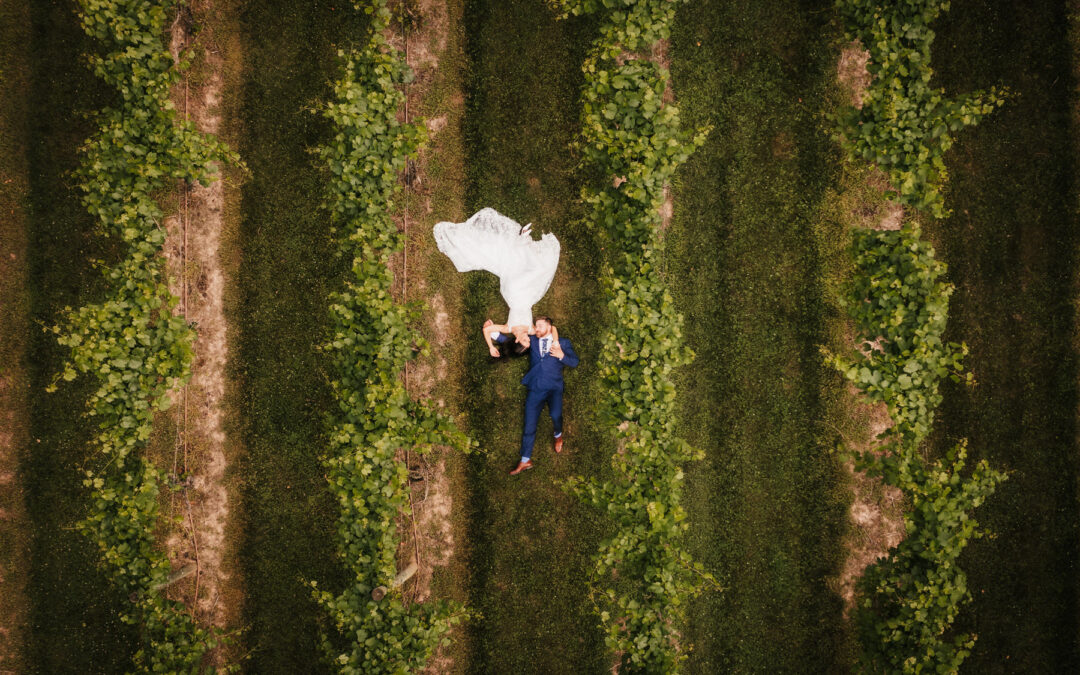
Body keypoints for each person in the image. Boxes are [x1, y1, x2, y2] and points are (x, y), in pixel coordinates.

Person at [434, 208, 559, 338]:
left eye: (524, 342)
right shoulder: (531, 330)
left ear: (516, 342)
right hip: (527, 296)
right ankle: (523, 240)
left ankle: (523, 240)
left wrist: (491, 347)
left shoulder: (508, 329)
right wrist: (554, 341)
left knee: (538, 269)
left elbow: (487, 330)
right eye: (528, 342)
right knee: (524, 266)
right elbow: (552, 329)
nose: (527, 340)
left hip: (515, 294)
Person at [509, 316, 578, 475]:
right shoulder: (532, 340)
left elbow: (574, 362)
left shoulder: (563, 343)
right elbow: (512, 341)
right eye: (535, 326)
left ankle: (558, 435)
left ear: (549, 326)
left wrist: (561, 355)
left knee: (555, 415)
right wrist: (493, 334)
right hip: (535, 389)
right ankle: (525, 460)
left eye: (540, 326)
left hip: (554, 389)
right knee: (529, 424)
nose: (536, 328)